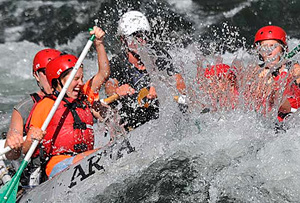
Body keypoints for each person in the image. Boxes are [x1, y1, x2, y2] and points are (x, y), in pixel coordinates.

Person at [22, 26, 110, 178]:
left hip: (85, 160)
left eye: (81, 78)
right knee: (105, 153)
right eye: (75, 79)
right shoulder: (46, 105)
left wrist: (99, 44)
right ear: (58, 82)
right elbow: (26, 150)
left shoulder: (83, 96)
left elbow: (104, 73)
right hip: (58, 166)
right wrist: (32, 138)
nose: (80, 83)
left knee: (105, 151)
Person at [105, 10, 186, 132]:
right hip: (132, 121)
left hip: (159, 119)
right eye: (135, 37)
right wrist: (117, 90)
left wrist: (162, 87)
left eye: (143, 36)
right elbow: (109, 86)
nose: (140, 41)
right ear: (123, 40)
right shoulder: (118, 62)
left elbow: (179, 83)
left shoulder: (159, 56)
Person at [4, 48, 62, 160]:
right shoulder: (24, 107)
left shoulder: (74, 97)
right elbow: (10, 155)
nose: (51, 77)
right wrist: (14, 145)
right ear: (36, 76)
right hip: (40, 170)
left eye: (55, 71)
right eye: (46, 72)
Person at [251, 25, 300, 122]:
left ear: (282, 49)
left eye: (273, 47)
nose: (269, 52)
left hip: (291, 118)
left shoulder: (294, 69)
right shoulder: (256, 72)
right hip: (266, 123)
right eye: (264, 47)